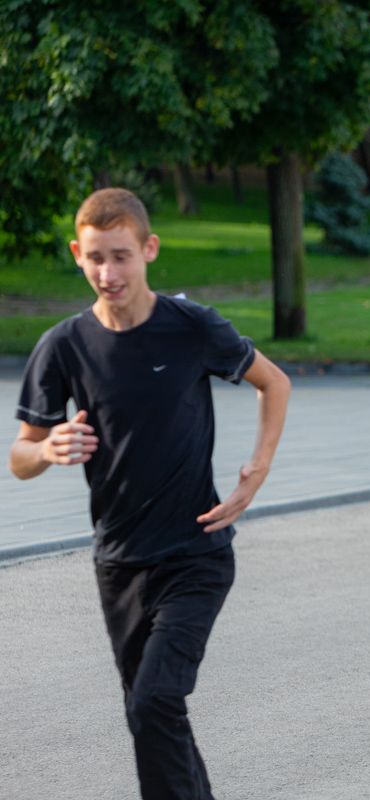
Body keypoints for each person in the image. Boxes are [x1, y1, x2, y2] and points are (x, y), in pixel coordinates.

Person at [9, 188, 291, 799]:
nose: (108, 273)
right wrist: (48, 448)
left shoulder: (190, 327)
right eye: (94, 258)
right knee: (152, 714)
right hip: (118, 561)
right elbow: (20, 458)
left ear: (148, 249)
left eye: (121, 256)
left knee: (156, 700)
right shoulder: (64, 345)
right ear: (76, 255)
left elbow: (274, 383)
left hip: (196, 552)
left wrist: (258, 468)